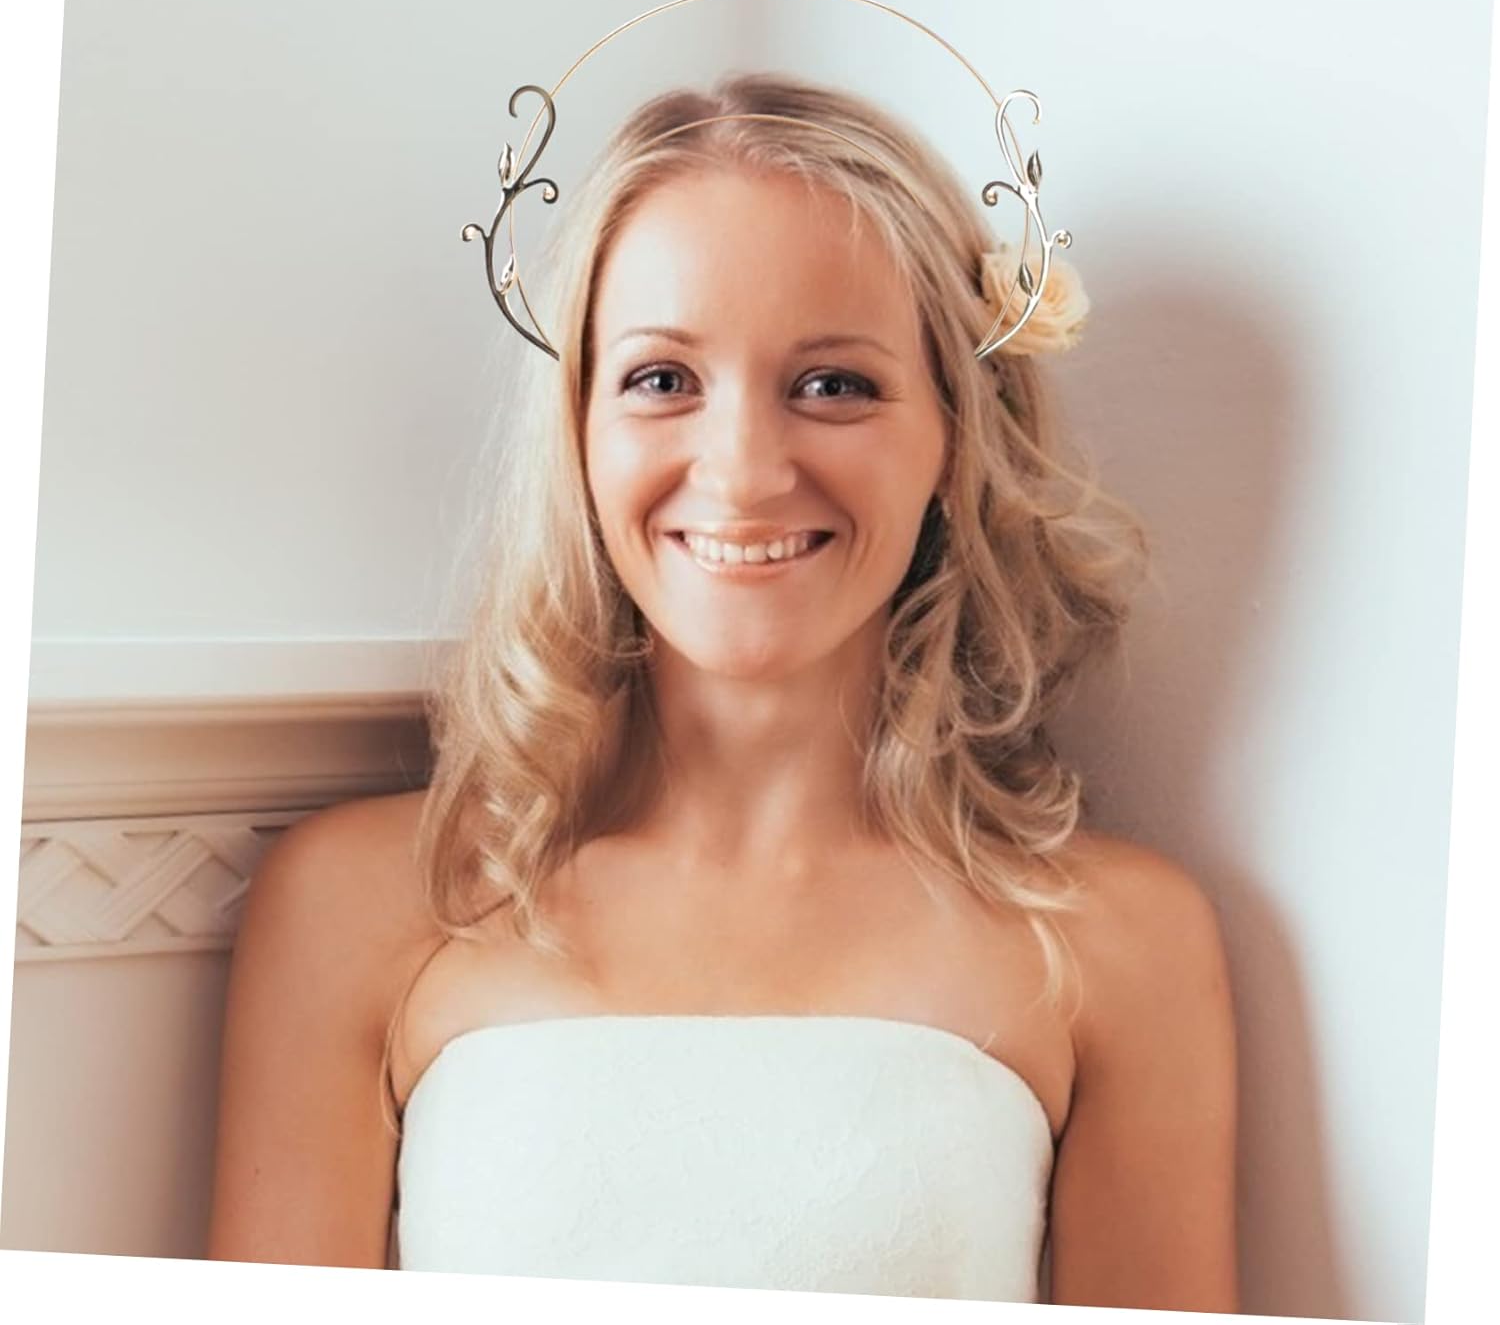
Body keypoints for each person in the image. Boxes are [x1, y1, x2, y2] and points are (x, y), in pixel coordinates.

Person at [206, 73, 1238, 1310]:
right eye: (662, 379)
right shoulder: (361, 904)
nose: (742, 472)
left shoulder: (1118, 942)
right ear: (578, 430)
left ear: (957, 431)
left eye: (833, 384)